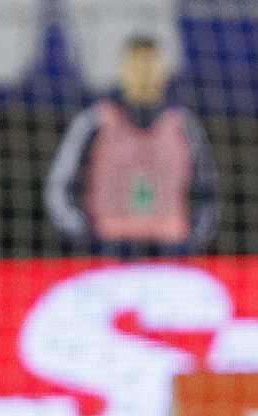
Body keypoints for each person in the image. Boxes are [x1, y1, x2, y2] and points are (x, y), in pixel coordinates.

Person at [45, 34, 219, 257]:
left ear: (164, 72)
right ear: (123, 70)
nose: (144, 74)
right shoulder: (96, 121)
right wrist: (85, 237)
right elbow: (59, 187)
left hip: (170, 250)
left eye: (150, 66)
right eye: (136, 66)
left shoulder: (183, 125)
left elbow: (208, 189)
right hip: (110, 248)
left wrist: (193, 239)